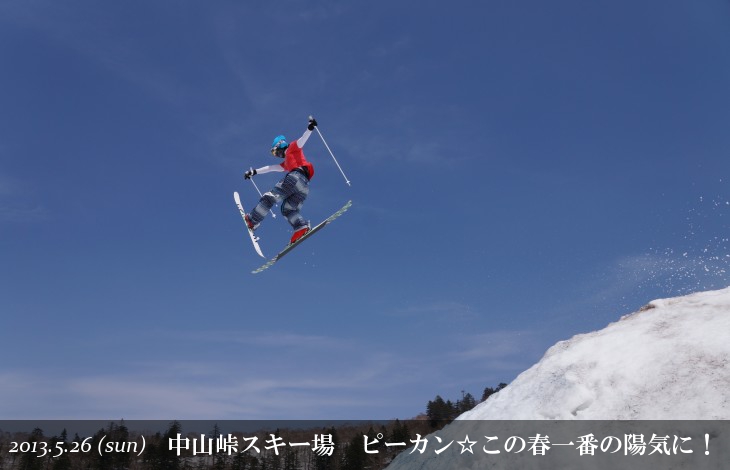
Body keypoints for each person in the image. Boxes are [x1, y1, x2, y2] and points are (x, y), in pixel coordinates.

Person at [244, 116, 318, 244]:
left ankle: (252, 220)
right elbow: (271, 168)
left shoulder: (291, 148)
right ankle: (301, 227)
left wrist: (309, 128)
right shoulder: (287, 163)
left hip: (295, 178)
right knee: (288, 209)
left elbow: (302, 140)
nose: (276, 155)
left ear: (280, 146)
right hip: (304, 186)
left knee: (269, 197)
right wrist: (254, 172)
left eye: (275, 152)